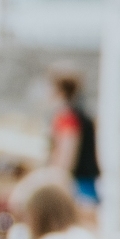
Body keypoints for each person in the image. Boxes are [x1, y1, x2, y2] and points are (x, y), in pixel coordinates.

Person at [47, 69, 104, 201]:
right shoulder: (79, 114)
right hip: (84, 183)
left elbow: (66, 158)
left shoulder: (68, 117)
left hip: (77, 186)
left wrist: (54, 182)